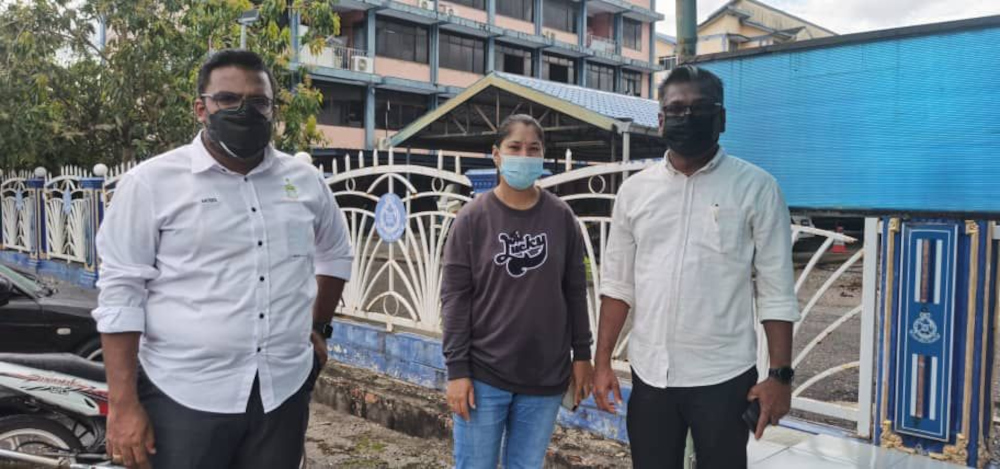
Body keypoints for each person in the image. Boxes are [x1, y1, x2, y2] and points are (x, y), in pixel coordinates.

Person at [92, 49, 353, 469]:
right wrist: (123, 406)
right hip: (185, 396)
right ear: (201, 108)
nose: (245, 111)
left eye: (259, 102)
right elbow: (121, 293)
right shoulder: (151, 183)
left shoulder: (305, 181)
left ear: (272, 109)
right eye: (228, 100)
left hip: (281, 393)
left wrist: (318, 326)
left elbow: (336, 253)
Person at [591, 65, 800, 469]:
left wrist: (780, 377)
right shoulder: (635, 192)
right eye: (677, 108)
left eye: (700, 108)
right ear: (660, 119)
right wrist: (602, 365)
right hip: (651, 374)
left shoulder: (757, 188)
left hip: (723, 376)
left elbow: (776, 290)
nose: (688, 117)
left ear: (721, 118)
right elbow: (617, 286)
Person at [441, 114, 594, 468]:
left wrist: (582, 356)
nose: (523, 155)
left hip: (545, 377)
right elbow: (455, 299)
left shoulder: (561, 217)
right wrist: (457, 372)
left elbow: (574, 290)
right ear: (496, 154)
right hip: (483, 375)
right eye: (514, 147)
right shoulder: (472, 219)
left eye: (533, 149)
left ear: (542, 157)